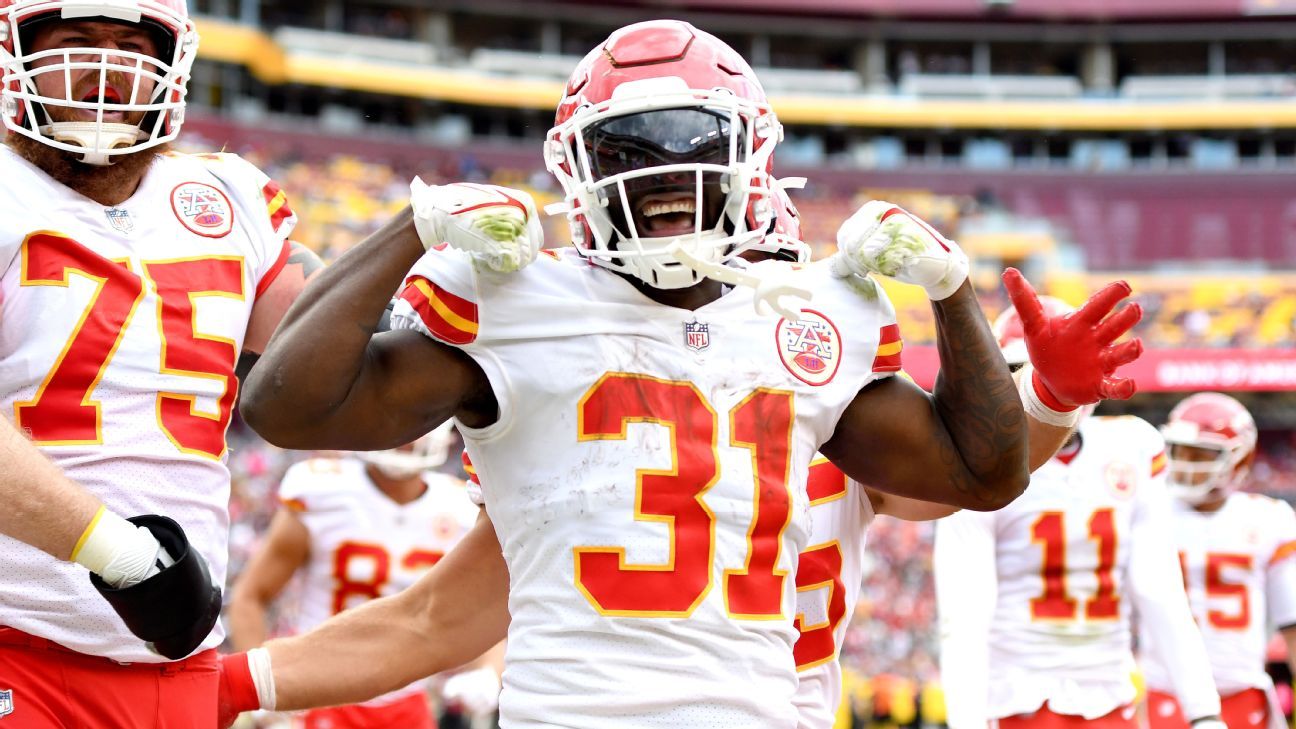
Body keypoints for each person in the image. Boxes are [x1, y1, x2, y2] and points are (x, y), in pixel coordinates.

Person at [224, 20, 1135, 728]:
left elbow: (980, 473)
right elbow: (292, 409)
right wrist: (412, 226)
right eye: (628, 150)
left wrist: (950, 291)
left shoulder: (809, 328)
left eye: (690, 144)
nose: (664, 175)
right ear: (577, 169)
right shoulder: (521, 304)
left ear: (751, 164)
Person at [0, 0, 322, 726]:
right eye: (76, 43)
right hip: (15, 639)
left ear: (170, 67)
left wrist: (429, 253)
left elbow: (331, 359)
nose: (106, 67)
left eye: (128, 44)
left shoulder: (229, 194)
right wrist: (116, 551)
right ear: (15, 56)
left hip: (176, 658)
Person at [935, 297, 1223, 729]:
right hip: (1018, 698)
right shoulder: (977, 457)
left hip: (1109, 692)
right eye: (1030, 370)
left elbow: (1158, 588)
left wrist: (1203, 711)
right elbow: (966, 614)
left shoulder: (1132, 446)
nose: (1047, 384)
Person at [227, 425, 496, 729]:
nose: (405, 431)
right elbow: (251, 595)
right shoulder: (322, 489)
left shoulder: (458, 505)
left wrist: (489, 671)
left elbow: (487, 606)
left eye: (416, 418)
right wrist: (261, 686)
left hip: (407, 701)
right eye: (392, 417)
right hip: (317, 688)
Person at [1142, 393, 1296, 729]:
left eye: (1200, 455)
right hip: (1161, 693)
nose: (1184, 464)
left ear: (1239, 459)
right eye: (1179, 451)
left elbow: (1292, 623)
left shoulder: (1269, 520)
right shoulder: (1146, 511)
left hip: (1240, 692)